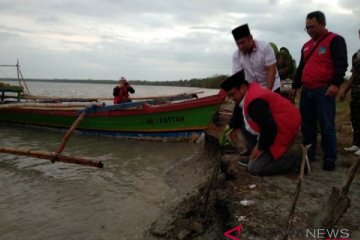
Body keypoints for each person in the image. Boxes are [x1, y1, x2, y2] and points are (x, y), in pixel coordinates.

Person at [291, 11, 348, 171]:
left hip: (324, 90)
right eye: (307, 28)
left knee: (326, 124)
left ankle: (329, 158)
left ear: (323, 24)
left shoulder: (335, 40)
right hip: (307, 90)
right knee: (307, 125)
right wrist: (295, 86)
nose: (309, 30)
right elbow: (301, 67)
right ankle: (308, 154)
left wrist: (336, 84)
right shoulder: (306, 46)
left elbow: (341, 63)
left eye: (312, 27)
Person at [220, 70, 301, 176]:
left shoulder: (254, 102)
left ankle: (295, 161)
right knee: (242, 123)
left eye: (232, 94)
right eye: (229, 96)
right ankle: (256, 155)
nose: (231, 99)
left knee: (255, 168)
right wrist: (232, 126)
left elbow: (270, 128)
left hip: (283, 130)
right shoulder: (248, 93)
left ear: (242, 87)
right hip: (274, 127)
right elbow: (239, 109)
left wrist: (260, 147)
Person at [229, 24, 282, 155]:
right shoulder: (237, 56)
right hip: (252, 90)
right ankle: (252, 145)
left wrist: (267, 93)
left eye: (243, 42)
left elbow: (271, 70)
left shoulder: (265, 47)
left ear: (250, 38)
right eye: (238, 44)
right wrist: (240, 97)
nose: (241, 46)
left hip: (271, 86)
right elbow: (237, 79)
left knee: (272, 119)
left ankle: (273, 147)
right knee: (243, 115)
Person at [339, 29, 360, 156]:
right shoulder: (356, 55)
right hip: (356, 92)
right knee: (356, 117)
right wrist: (344, 90)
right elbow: (353, 75)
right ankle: (357, 143)